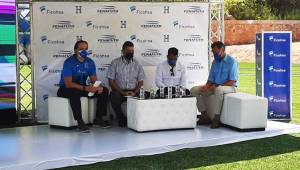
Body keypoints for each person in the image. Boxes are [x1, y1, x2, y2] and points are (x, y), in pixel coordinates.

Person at [57, 40, 110, 133]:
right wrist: (86, 88)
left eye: (86, 49)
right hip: (65, 89)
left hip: (81, 87)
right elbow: (68, 84)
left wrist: (99, 86)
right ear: (75, 50)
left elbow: (94, 80)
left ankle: (98, 118)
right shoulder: (69, 62)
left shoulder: (90, 62)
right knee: (74, 92)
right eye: (81, 49)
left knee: (104, 90)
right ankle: (80, 122)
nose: (84, 51)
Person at [191, 41, 238, 128]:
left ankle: (216, 118)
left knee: (219, 89)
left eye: (216, 53)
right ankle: (205, 115)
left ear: (222, 50)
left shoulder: (232, 62)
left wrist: (216, 86)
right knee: (194, 90)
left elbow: (232, 81)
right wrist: (206, 86)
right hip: (215, 86)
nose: (214, 55)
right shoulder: (214, 62)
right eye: (213, 53)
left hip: (230, 87)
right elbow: (211, 79)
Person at [107, 41, 145, 127]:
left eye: (132, 50)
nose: (130, 52)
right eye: (128, 50)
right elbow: (111, 82)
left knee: (145, 94)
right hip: (119, 91)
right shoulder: (115, 63)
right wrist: (122, 92)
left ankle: (140, 119)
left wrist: (135, 92)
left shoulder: (137, 64)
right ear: (122, 51)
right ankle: (121, 119)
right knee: (113, 95)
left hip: (133, 91)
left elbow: (141, 82)